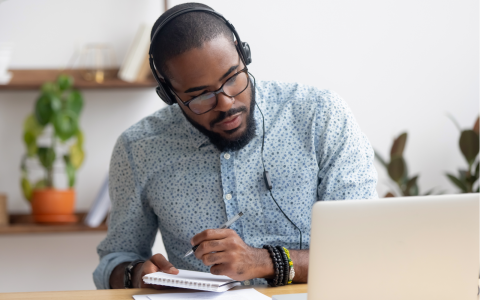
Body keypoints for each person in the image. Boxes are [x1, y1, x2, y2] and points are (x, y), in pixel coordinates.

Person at [93, 2, 378, 289]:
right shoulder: (138, 148)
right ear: (169, 94)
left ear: (244, 55)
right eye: (200, 96)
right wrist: (136, 273)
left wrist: (264, 261)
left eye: (232, 78)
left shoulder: (320, 116)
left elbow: (365, 249)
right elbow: (114, 260)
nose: (226, 103)